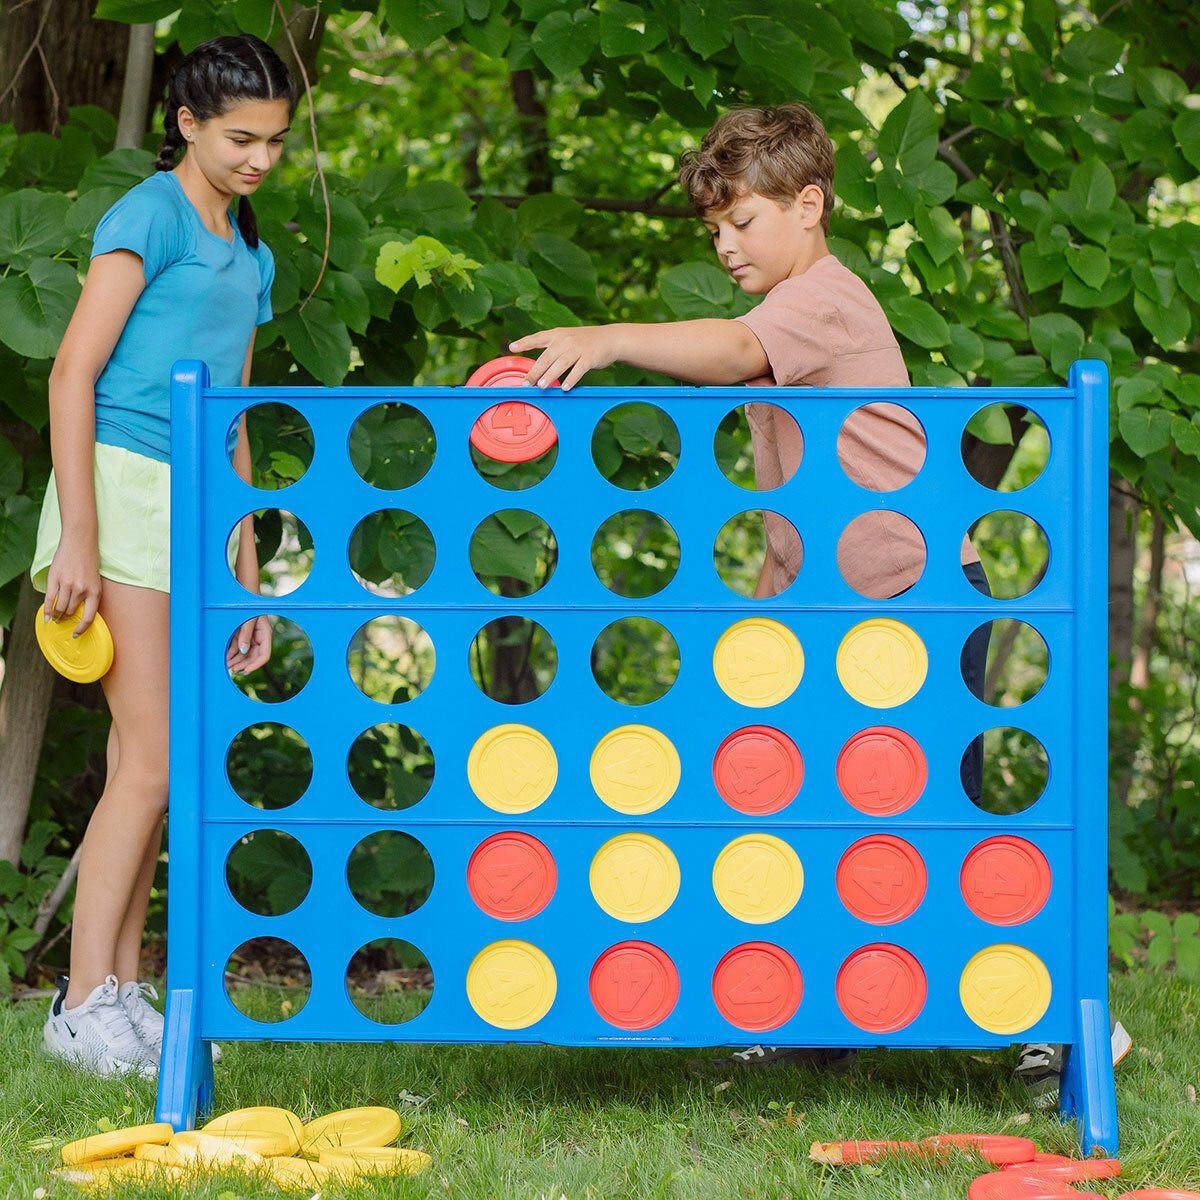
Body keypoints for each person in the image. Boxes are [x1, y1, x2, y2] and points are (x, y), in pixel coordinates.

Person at [33, 33, 294, 1077]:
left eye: (275, 142)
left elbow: (229, 420)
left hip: (198, 512)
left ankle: (122, 989)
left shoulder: (252, 249)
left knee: (163, 764)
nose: (260, 159)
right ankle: (83, 1002)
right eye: (240, 138)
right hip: (119, 494)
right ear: (186, 124)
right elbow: (69, 376)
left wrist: (247, 575)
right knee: (150, 760)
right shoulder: (146, 216)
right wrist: (82, 542)